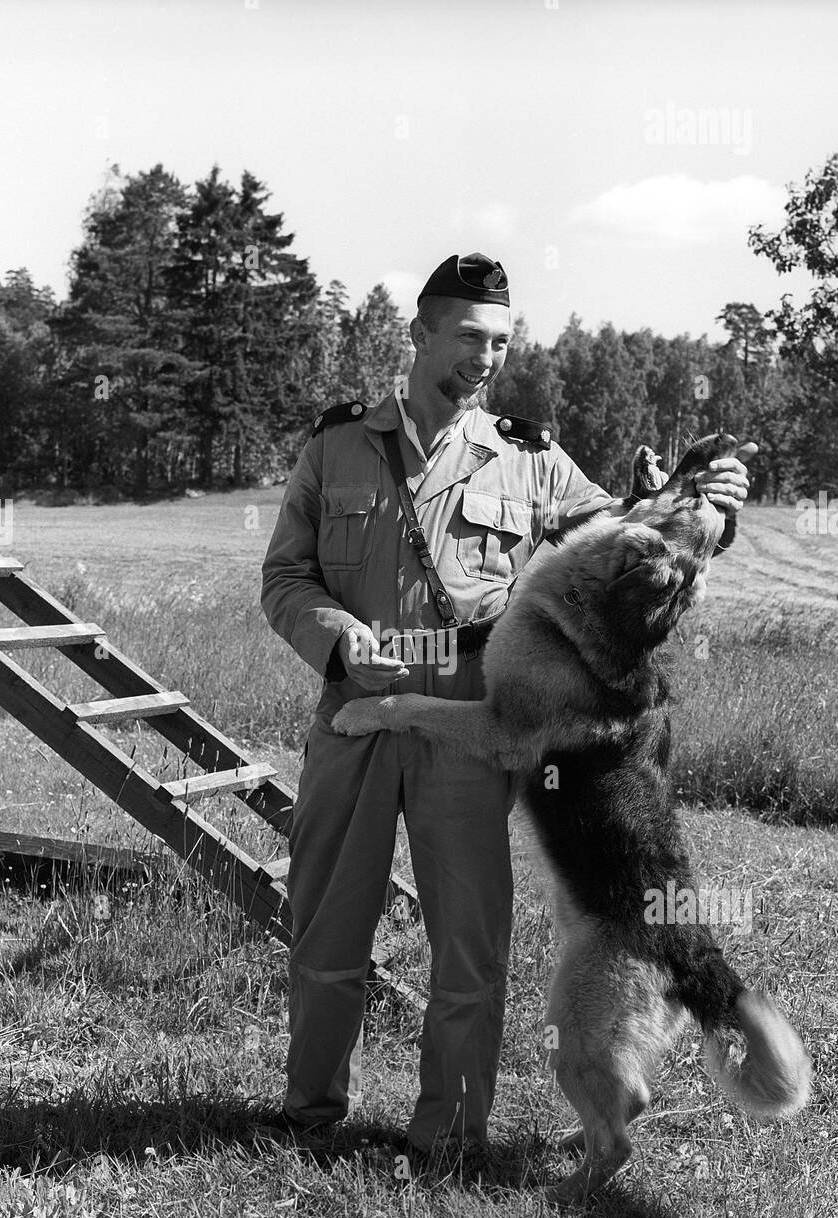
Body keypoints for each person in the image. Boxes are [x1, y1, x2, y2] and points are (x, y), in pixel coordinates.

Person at [260, 252, 750, 1156]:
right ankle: (308, 1116)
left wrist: (706, 503)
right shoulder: (334, 447)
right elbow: (285, 575)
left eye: (501, 341)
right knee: (327, 926)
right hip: (352, 713)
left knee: (470, 945)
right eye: (469, 336)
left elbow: (635, 537)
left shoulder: (526, 458)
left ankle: (449, 1135)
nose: (487, 357)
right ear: (420, 333)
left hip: (471, 724)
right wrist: (333, 633)